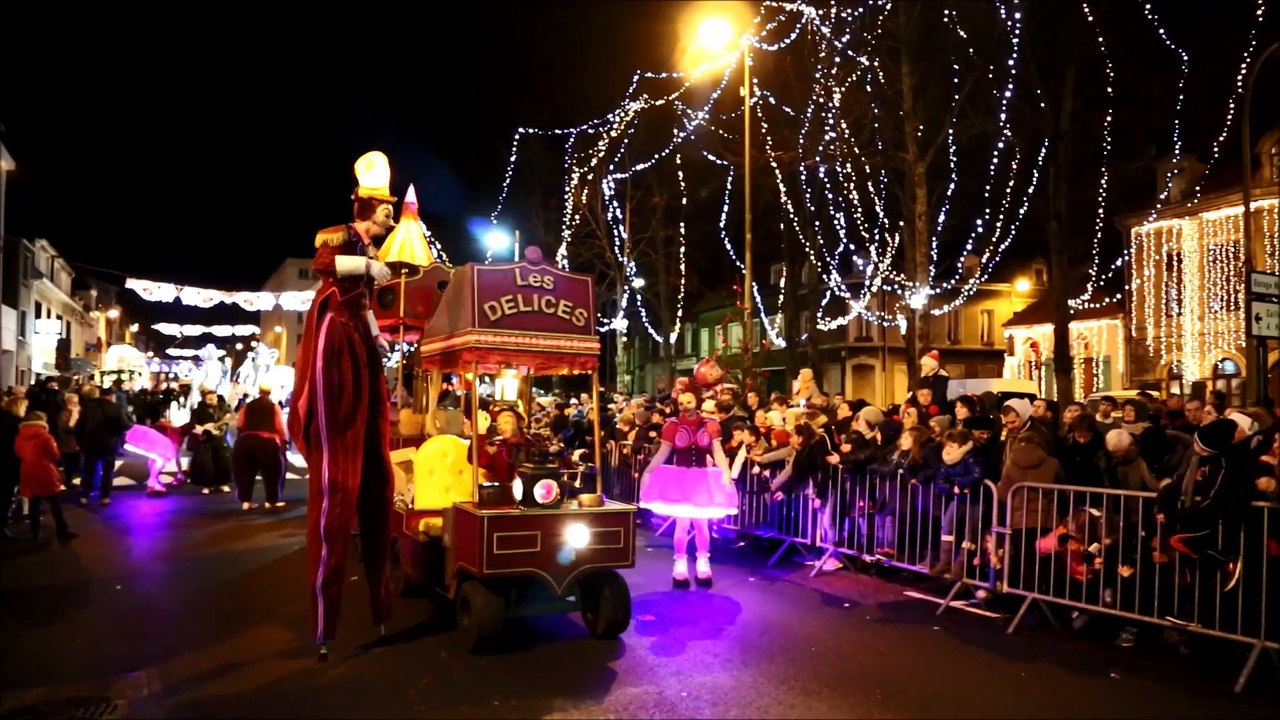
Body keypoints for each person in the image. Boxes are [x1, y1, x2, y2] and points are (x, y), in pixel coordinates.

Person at [288, 150, 398, 660]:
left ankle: (379, 603)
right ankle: (324, 620)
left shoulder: (371, 253)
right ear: (367, 207)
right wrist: (369, 265)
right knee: (338, 471)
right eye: (385, 211)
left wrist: (378, 340)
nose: (389, 219)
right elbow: (323, 266)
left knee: (375, 460)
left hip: (357, 335)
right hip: (334, 337)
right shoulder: (339, 235)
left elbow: (365, 305)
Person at [639, 391, 738, 588]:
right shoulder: (672, 425)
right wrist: (648, 471)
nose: (685, 406)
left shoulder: (710, 424)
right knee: (682, 524)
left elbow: (717, 451)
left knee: (702, 524)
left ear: (697, 401)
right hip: (680, 479)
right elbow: (664, 451)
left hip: (701, 479)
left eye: (689, 401)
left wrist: (725, 471)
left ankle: (703, 563)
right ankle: (680, 564)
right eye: (681, 403)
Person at [14, 411, 76, 542]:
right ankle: (62, 530)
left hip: (27, 470)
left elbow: (18, 452)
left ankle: (34, 531)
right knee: (54, 502)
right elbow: (55, 455)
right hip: (45, 470)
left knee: (34, 502)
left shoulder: (19, 436)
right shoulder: (46, 437)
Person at [233, 383, 289, 510]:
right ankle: (270, 501)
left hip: (245, 441)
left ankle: (246, 502)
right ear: (270, 392)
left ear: (259, 391)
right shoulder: (273, 407)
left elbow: (239, 424)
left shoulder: (247, 406)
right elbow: (279, 426)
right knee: (272, 473)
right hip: (267, 442)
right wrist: (284, 441)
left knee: (245, 472)